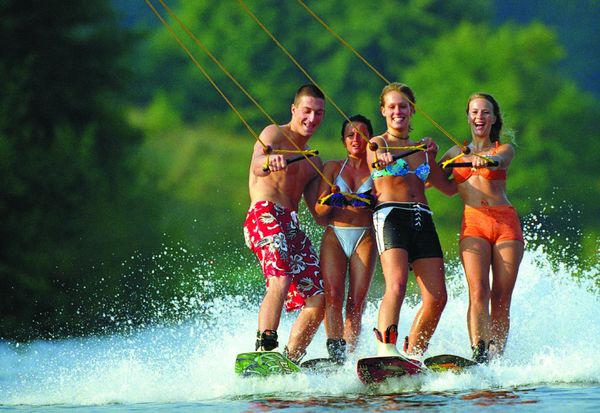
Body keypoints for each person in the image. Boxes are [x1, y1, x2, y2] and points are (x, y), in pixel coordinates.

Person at [366, 82, 454, 358]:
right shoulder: (378, 143)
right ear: (383, 111)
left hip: (422, 218)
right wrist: (382, 157)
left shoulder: (423, 149)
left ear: (412, 109)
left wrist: (456, 157)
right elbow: (375, 158)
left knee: (437, 297)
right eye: (391, 107)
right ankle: (386, 350)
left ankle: (414, 354)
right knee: (397, 283)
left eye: (403, 106)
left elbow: (449, 187)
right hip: (391, 215)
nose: (397, 111)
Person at [243, 84, 327, 364]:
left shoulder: (313, 160)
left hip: (291, 225)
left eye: (318, 114)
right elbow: (256, 165)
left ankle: (290, 360)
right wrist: (269, 160)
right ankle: (264, 348)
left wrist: (345, 199)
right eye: (307, 111)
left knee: (319, 297)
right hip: (264, 215)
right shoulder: (273, 134)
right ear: (294, 110)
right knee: (280, 278)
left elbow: (319, 214)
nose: (311, 119)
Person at [439, 93, 523, 363]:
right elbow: (439, 184)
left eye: (485, 113)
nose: (480, 117)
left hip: (505, 223)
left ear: (494, 118)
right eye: (475, 112)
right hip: (473, 223)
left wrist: (485, 160)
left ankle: (497, 355)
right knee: (478, 291)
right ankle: (479, 351)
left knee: (500, 295)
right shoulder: (454, 153)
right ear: (468, 117)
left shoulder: (503, 148)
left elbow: (501, 161)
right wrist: (428, 158)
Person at [314, 114, 378, 364]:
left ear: (370, 140)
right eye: (351, 135)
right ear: (343, 140)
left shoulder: (376, 169)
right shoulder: (333, 168)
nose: (356, 139)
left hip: (365, 236)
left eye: (362, 135)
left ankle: (351, 356)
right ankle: (335, 352)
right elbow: (319, 212)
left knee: (356, 302)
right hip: (335, 234)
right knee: (333, 295)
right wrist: (330, 199)